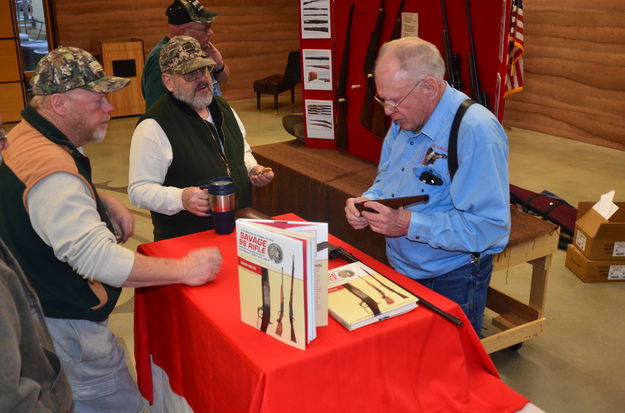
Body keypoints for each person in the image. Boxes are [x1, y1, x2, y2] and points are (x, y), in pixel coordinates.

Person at [0, 46, 223, 413]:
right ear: (59, 104)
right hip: (69, 327)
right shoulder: (53, 170)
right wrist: (186, 269)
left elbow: (36, 197)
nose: (111, 108)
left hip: (39, 306)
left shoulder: (25, 136)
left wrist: (99, 200)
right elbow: (98, 260)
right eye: (98, 99)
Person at [344, 37, 510, 335]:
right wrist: (368, 200)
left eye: (395, 100)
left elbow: (490, 227)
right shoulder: (406, 116)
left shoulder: (476, 132)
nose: (387, 111)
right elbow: (387, 178)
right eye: (383, 99)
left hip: (452, 278)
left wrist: (409, 224)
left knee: (449, 372)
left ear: (430, 87)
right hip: (402, 268)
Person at [129, 36, 274, 241]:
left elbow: (241, 151)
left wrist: (252, 169)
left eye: (204, 69)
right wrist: (181, 198)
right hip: (186, 241)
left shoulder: (224, 109)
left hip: (235, 231)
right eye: (190, 74)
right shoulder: (153, 126)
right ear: (168, 81)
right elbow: (139, 190)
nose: (202, 79)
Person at [142, 0, 229, 110]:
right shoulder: (162, 58)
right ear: (183, 31)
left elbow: (222, 82)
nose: (211, 32)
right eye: (205, 28)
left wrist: (219, 66)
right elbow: (157, 109)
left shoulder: (197, 49)